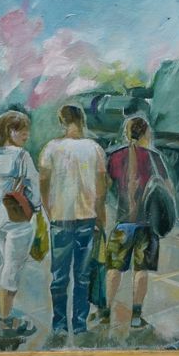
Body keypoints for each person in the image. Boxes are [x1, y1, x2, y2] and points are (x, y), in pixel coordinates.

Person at [39, 104, 107, 337]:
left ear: (62, 121)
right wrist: (101, 215)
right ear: (82, 120)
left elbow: (43, 182)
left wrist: (49, 210)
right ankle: (79, 324)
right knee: (83, 276)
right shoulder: (95, 149)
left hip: (60, 218)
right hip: (87, 218)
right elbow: (101, 188)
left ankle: (59, 324)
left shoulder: (51, 148)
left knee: (59, 277)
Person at [100, 116, 170, 328]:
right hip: (147, 223)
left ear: (126, 132)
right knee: (141, 270)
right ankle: (137, 316)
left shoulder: (115, 156)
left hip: (122, 222)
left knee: (114, 269)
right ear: (146, 133)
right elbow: (167, 188)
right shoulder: (154, 158)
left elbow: (105, 187)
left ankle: (106, 312)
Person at [0, 110, 41, 338]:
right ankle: (5, 322)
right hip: (18, 217)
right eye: (22, 130)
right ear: (9, 131)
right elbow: (35, 187)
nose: (27, 134)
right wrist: (37, 208)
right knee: (13, 269)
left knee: (5, 263)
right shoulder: (21, 156)